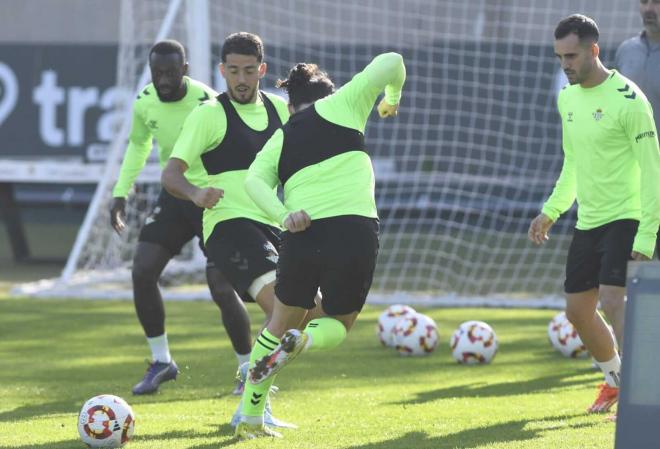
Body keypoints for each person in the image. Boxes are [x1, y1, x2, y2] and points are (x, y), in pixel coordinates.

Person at [233, 52, 406, 439]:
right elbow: (392, 60)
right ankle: (306, 339)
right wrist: (391, 99)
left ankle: (251, 417)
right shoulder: (346, 100)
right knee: (339, 323)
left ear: (290, 106)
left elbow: (254, 183)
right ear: (330, 93)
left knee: (277, 322)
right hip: (354, 230)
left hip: (301, 232)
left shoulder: (282, 135)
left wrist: (283, 216)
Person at [161, 31, 307, 430]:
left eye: (249, 71)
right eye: (233, 71)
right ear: (222, 71)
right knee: (282, 309)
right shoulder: (209, 114)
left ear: (261, 70)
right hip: (228, 225)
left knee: (302, 314)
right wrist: (195, 193)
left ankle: (252, 393)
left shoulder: (281, 111)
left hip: (274, 223)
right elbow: (171, 173)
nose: (241, 79)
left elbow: (300, 166)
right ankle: (251, 406)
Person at [527, 14, 660, 415]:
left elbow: (653, 171)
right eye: (559, 57)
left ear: (594, 51)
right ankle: (616, 380)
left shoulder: (629, 99)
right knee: (577, 310)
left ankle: (646, 394)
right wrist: (551, 210)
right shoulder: (567, 98)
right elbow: (573, 163)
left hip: (628, 216)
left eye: (572, 56)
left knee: (613, 300)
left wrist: (647, 236)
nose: (565, 64)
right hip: (589, 220)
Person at [110, 39, 253, 396]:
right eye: (157, 72)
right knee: (142, 270)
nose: (163, 79)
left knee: (222, 287)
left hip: (212, 198)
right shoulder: (144, 102)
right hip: (175, 195)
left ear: (185, 70)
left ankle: (249, 369)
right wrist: (120, 192)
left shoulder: (207, 102)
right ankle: (162, 362)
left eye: (171, 72)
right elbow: (138, 145)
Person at [616, 0, 660, 268]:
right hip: (632, 179)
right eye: (644, 1)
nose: (648, 9)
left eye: (656, 2)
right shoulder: (626, 50)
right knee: (632, 267)